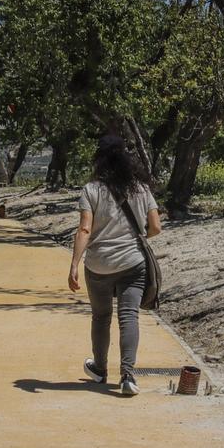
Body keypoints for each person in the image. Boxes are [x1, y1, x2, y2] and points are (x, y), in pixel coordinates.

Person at [67, 134, 161, 396]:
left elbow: (85, 229)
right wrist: (137, 237)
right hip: (133, 263)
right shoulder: (141, 188)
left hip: (98, 265)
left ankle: (99, 369)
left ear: (99, 159)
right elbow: (155, 227)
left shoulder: (92, 189)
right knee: (129, 315)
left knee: (101, 316)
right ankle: (128, 376)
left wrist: (74, 264)